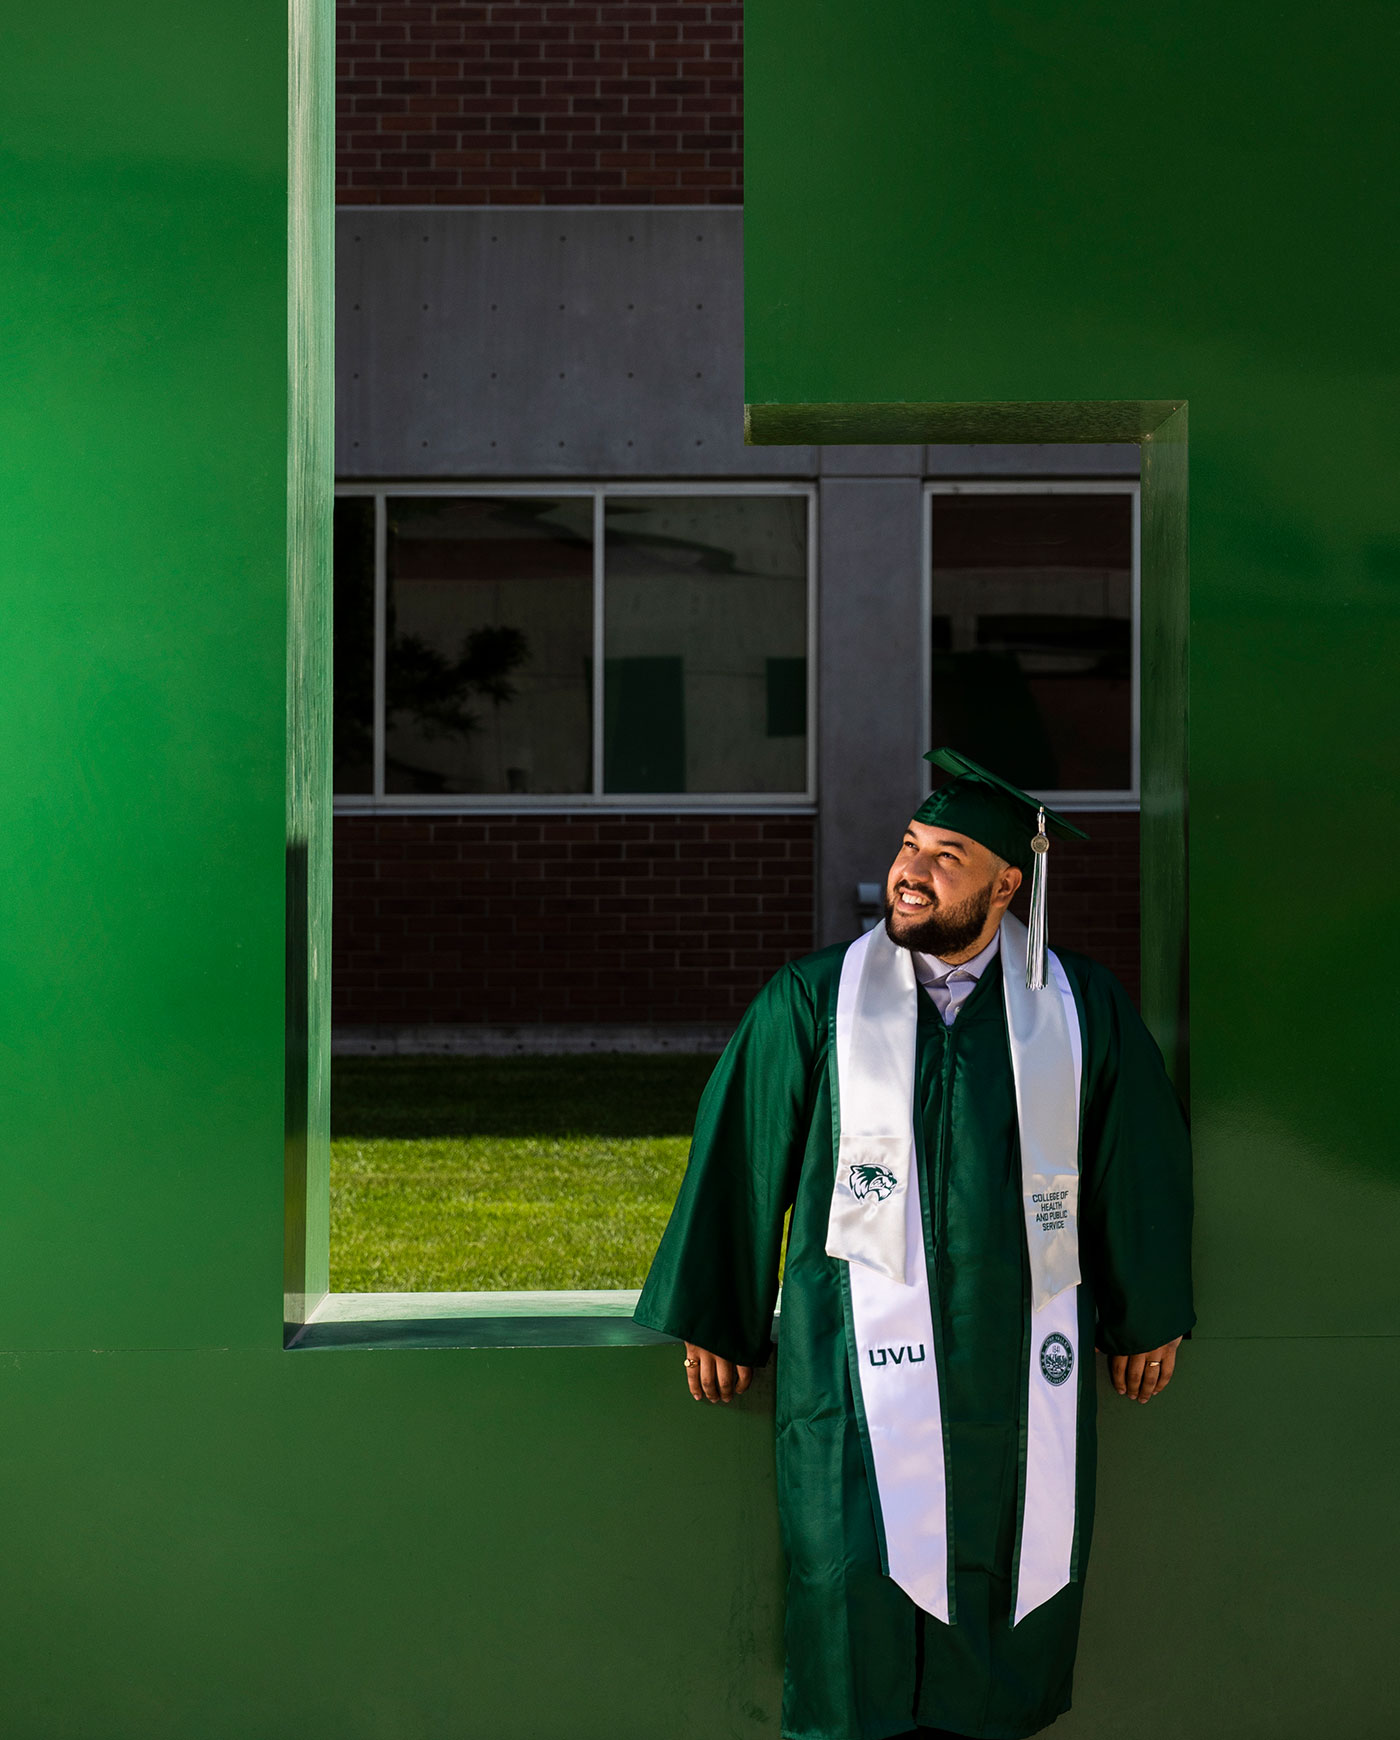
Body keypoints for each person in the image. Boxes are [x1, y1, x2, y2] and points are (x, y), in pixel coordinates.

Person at [634, 748, 1194, 1740]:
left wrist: (1143, 1310)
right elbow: (738, 1153)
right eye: (907, 846)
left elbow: (1132, 1163)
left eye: (946, 856)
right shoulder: (812, 999)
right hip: (851, 1361)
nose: (910, 869)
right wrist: (714, 1314)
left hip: (1016, 1362)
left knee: (1007, 1573)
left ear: (1005, 882)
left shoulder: (1076, 1007)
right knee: (855, 1580)